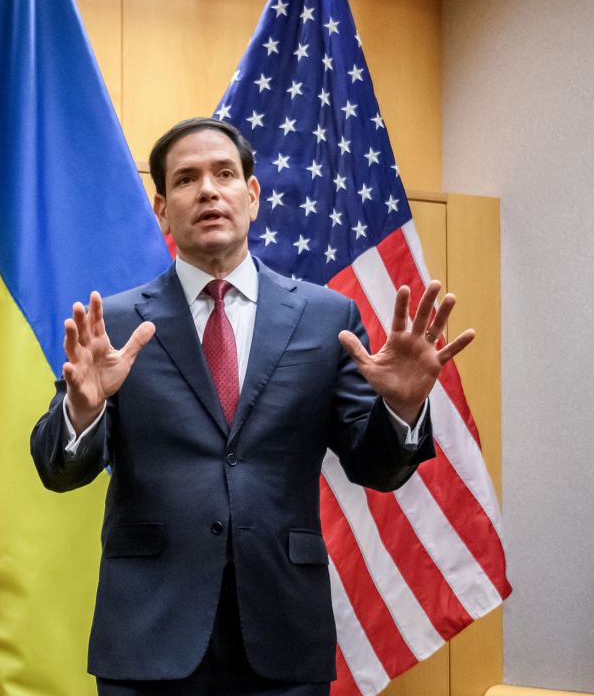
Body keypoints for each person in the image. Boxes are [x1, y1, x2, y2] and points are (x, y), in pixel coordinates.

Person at [29, 117, 474, 695]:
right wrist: (82, 412)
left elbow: (378, 469)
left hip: (283, 630)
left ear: (253, 195)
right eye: (186, 180)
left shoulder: (325, 319)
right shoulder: (112, 324)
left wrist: (403, 410)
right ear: (162, 209)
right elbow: (57, 471)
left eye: (224, 174)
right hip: (149, 633)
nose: (208, 190)